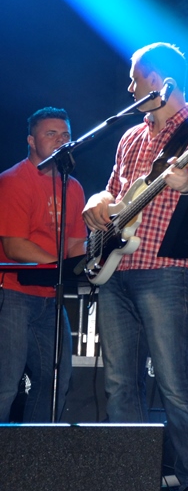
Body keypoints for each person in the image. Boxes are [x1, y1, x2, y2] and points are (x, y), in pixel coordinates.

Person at [82, 42, 188, 491]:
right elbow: (115, 192)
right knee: (118, 383)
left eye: (134, 78)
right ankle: (129, 488)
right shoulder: (130, 137)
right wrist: (96, 202)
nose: (129, 88)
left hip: (170, 270)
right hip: (118, 267)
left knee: (174, 381)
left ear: (159, 80)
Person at [0, 107, 87, 423]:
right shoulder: (13, 181)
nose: (61, 140)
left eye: (65, 135)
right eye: (51, 134)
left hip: (52, 297)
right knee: (5, 385)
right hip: (13, 294)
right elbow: (15, 246)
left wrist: (96, 258)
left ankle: (35, 451)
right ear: (31, 141)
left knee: (56, 382)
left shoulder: (73, 187)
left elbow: (76, 244)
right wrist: (63, 265)